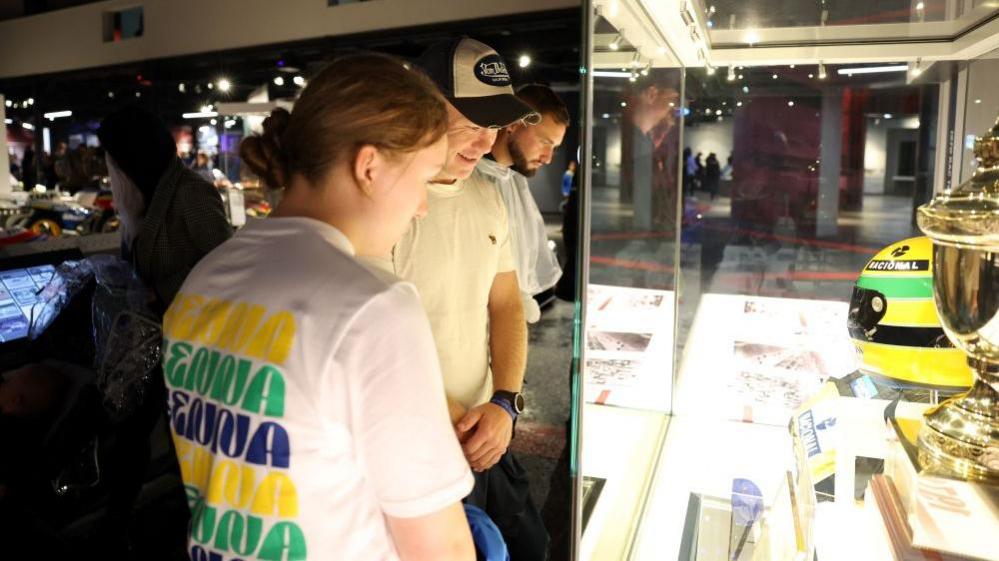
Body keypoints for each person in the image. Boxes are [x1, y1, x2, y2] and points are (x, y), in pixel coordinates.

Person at [163, 53, 475, 561]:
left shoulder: (204, 280)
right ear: (369, 166)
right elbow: (439, 548)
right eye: (424, 180)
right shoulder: (373, 309)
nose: (421, 207)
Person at [382, 37, 549, 560]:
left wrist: (504, 402)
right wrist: (466, 422)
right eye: (471, 122)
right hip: (415, 440)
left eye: (494, 125)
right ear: (424, 107)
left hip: (484, 428)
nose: (484, 143)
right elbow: (382, 343)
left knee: (527, 545)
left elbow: (505, 304)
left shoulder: (489, 193)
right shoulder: (384, 201)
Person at [98, 105, 232, 315]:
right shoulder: (145, 192)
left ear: (131, 160)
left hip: (190, 332)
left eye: (114, 163)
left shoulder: (192, 191)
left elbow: (224, 262)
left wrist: (158, 292)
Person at [480, 84, 568, 323]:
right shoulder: (472, 177)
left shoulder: (513, 181)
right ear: (514, 124)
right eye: (544, 142)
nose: (548, 158)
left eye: (554, 148)